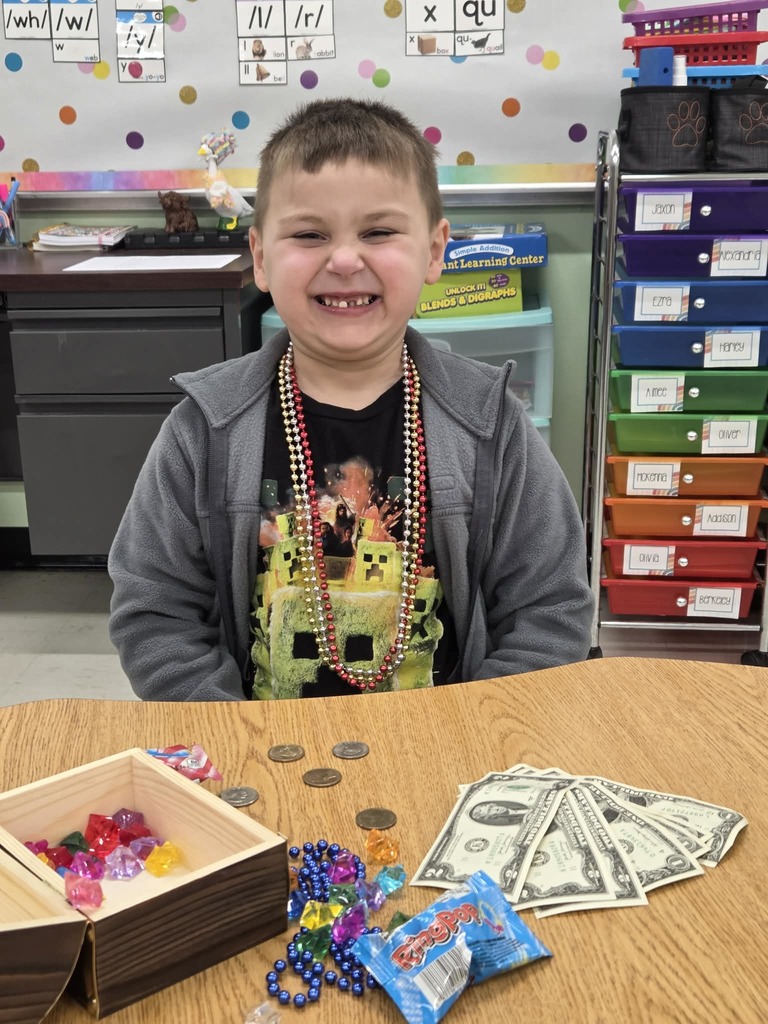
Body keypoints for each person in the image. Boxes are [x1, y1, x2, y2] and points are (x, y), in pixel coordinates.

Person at [108, 96, 594, 702]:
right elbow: (155, 613)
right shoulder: (204, 429)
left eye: (379, 231)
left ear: (436, 250)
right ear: (260, 256)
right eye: (309, 234)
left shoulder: (490, 423)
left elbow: (550, 610)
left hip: (453, 758)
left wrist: (480, 732)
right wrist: (231, 735)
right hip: (256, 761)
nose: (343, 259)